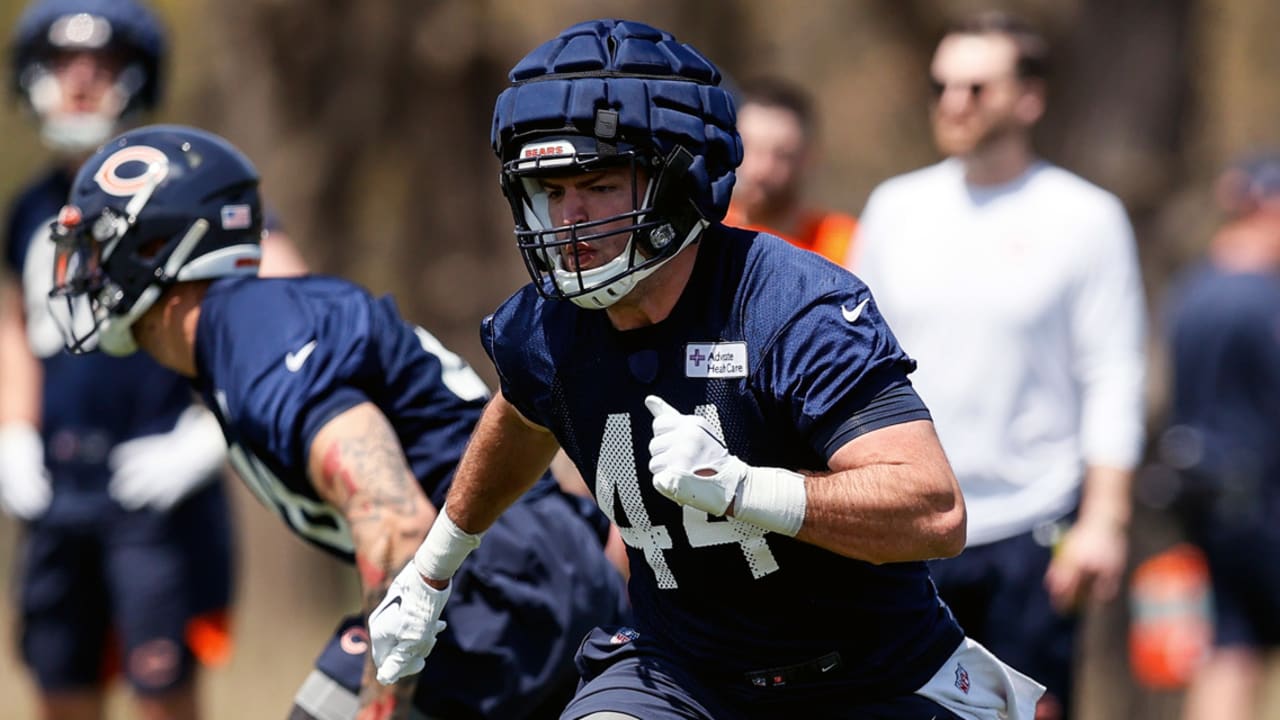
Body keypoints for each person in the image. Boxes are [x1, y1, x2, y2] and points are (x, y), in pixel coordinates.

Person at [369, 18, 1044, 720]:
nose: (567, 221)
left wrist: (749, 490)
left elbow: (933, 512)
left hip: (869, 673)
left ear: (678, 176)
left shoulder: (790, 306)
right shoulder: (545, 328)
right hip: (681, 673)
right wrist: (430, 571)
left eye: (597, 183)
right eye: (548, 190)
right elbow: (521, 415)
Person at [44, 123, 629, 719]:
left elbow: (398, 526)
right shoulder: (247, 333)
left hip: (494, 584)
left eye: (98, 248)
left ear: (156, 247)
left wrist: (380, 707)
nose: (85, 274)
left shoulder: (253, 336)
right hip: (526, 571)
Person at [849, 11, 1147, 720]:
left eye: (977, 87)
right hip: (910, 528)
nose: (954, 102)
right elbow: (853, 369)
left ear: (1029, 98)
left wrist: (1104, 519)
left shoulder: (1086, 216)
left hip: (1032, 524)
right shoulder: (895, 209)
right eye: (941, 85)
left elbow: (1113, 372)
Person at [0, 3, 237, 718]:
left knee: (163, 692)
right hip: (58, 485)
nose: (80, 82)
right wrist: (13, 434)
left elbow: (281, 309)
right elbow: (16, 328)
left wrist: (213, 431)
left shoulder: (189, 190)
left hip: (157, 493)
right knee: (60, 684)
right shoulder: (27, 210)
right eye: (64, 64)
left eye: (100, 67)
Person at [1159, 154, 1280, 720]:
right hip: (1261, 507)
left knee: (1229, 648)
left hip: (1207, 502)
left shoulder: (1193, 290)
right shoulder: (1261, 300)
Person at [724, 75, 857, 263]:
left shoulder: (843, 243)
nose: (762, 170)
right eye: (749, 148)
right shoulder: (703, 232)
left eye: (782, 155)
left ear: (810, 158)